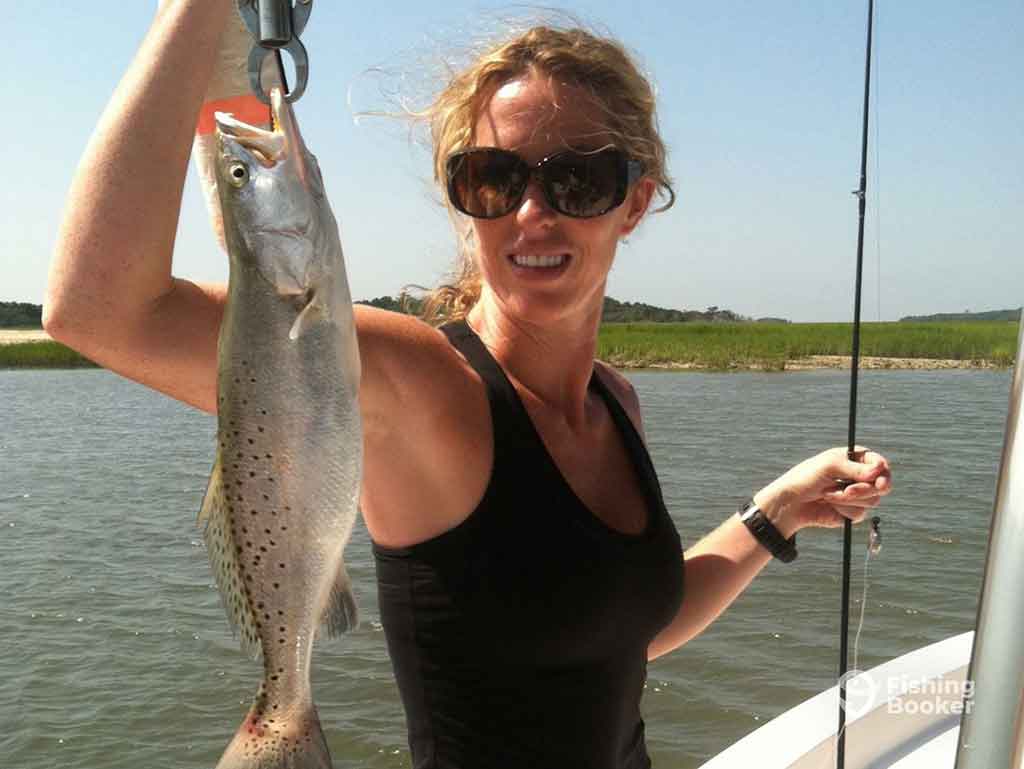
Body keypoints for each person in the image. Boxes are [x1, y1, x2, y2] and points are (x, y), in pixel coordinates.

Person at [45, 3, 892, 767]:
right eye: (494, 178)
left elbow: (624, 634)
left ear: (632, 204)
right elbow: (98, 308)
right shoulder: (422, 382)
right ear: (462, 200)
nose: (533, 212)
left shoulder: (614, 401)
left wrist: (776, 510)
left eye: (579, 178)